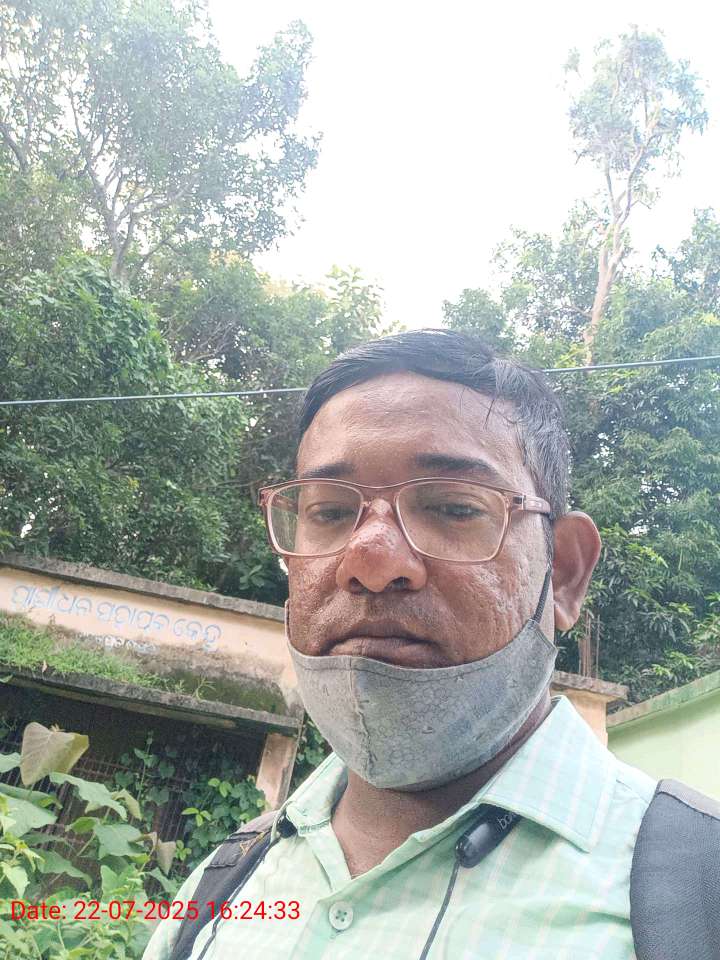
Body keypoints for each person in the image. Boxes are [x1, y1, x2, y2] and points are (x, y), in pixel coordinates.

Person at [144, 328, 659, 959]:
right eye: (330, 512)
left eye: (453, 508)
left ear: (565, 573)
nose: (370, 560)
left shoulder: (690, 893)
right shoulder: (222, 887)